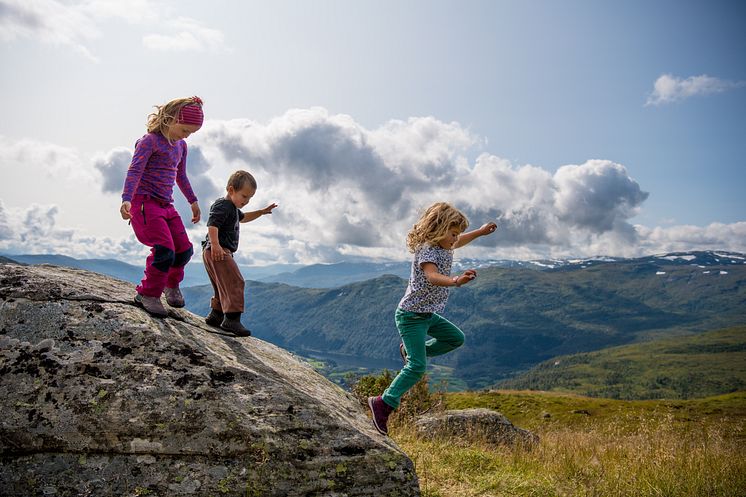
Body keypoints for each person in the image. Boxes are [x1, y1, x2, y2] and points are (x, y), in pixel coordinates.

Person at [368, 202, 497, 435]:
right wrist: (456, 280)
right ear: (439, 229)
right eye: (453, 234)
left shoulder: (445, 244)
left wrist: (479, 231)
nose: (455, 239)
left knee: (455, 338)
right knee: (417, 367)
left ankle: (410, 352)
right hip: (411, 316)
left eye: (457, 234)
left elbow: (461, 240)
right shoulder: (428, 251)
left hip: (427, 315)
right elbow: (433, 276)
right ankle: (383, 403)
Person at [120, 96, 205, 318]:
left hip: (166, 205)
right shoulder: (149, 141)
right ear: (171, 119)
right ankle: (147, 294)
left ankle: (170, 284)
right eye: (185, 129)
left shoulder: (181, 146)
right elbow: (135, 170)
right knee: (164, 250)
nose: (187, 135)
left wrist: (193, 200)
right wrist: (127, 198)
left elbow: (180, 175)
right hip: (144, 203)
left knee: (184, 249)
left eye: (191, 133)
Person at [202, 170, 278, 336]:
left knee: (221, 285)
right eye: (244, 197)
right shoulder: (224, 205)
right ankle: (231, 320)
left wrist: (261, 212)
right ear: (231, 190)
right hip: (218, 251)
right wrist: (215, 245)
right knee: (236, 281)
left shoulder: (233, 209)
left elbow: (243, 218)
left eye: (250, 198)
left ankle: (216, 315)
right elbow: (212, 224)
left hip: (214, 250)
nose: (247, 201)